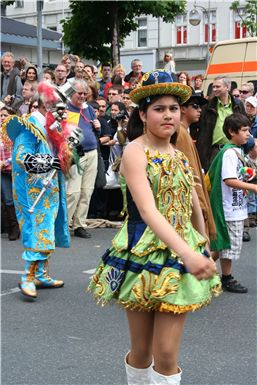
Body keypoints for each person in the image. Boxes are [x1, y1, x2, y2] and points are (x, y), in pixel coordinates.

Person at [88, 70, 220, 385]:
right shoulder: (135, 151)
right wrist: (188, 252)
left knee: (165, 355)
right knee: (142, 351)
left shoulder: (178, 155)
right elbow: (147, 211)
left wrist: (203, 245)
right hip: (142, 252)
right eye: (159, 108)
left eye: (174, 108)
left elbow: (192, 205)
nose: (168, 115)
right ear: (144, 114)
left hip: (177, 259)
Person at [2, 94, 70, 299]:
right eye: (58, 107)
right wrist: (53, 163)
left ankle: (40, 274)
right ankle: (27, 277)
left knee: (47, 228)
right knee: (39, 231)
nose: (62, 112)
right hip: (32, 192)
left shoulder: (51, 127)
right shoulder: (28, 127)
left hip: (47, 188)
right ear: (45, 105)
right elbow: (22, 158)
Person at [206, 113, 257, 293]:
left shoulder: (236, 151)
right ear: (231, 131)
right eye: (244, 130)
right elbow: (229, 179)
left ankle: (200, 270)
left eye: (248, 130)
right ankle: (226, 277)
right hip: (228, 207)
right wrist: (253, 188)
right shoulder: (229, 153)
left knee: (222, 244)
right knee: (228, 245)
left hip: (234, 206)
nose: (248, 134)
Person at [176, 91, 216, 243]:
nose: (199, 110)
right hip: (188, 203)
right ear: (183, 109)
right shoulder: (180, 132)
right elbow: (189, 174)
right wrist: (199, 203)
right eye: (195, 106)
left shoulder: (184, 131)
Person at [65, 79, 100, 238]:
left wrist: (97, 127)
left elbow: (95, 131)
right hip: (76, 154)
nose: (83, 97)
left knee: (87, 191)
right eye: (79, 93)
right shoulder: (66, 109)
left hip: (92, 152)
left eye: (85, 94)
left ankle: (80, 224)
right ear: (72, 93)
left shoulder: (89, 109)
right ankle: (64, 225)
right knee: (73, 192)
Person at [196, 75, 246, 172]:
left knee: (235, 179)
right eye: (213, 86)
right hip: (214, 151)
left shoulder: (238, 105)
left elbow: (245, 125)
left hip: (235, 149)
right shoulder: (207, 107)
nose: (214, 89)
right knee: (214, 182)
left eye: (218, 86)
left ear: (228, 87)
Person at [0, 105, 20, 241]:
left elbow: (18, 151)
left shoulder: (16, 132)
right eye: (0, 116)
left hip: (16, 169)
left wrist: (5, 162)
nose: (2, 118)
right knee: (7, 199)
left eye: (5, 115)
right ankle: (13, 228)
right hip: (2, 171)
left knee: (20, 199)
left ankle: (24, 226)